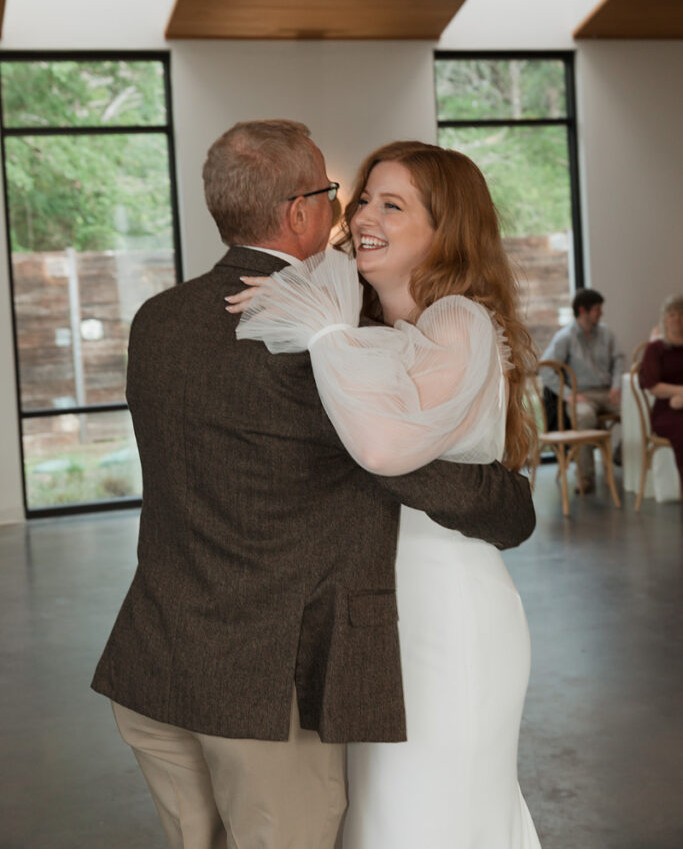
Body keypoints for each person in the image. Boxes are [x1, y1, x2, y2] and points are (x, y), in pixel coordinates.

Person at [91, 121, 536, 849]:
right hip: (265, 685)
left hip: (158, 661)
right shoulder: (311, 345)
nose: (354, 216)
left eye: (383, 204)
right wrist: (513, 503)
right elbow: (451, 486)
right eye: (347, 197)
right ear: (301, 213)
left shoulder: (159, 319)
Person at [231, 140, 541, 848]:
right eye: (364, 197)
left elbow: (381, 447)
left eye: (392, 204)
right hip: (371, 615)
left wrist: (321, 329)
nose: (364, 215)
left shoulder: (458, 320)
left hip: (447, 613)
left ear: (446, 230)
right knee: (381, 817)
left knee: (429, 814)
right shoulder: (378, 332)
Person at [540, 288, 623, 493]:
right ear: (583, 311)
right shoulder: (565, 337)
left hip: (607, 392)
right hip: (583, 396)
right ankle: (586, 477)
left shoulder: (606, 333)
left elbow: (619, 361)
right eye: (597, 310)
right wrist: (569, 395)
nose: (601, 313)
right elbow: (545, 369)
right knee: (584, 418)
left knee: (636, 410)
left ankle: (620, 455)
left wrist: (616, 386)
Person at [639, 294, 683, 486]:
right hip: (666, 412)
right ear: (665, 319)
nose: (677, 319)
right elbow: (653, 386)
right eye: (672, 314)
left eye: (681, 314)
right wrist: (680, 392)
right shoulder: (655, 349)